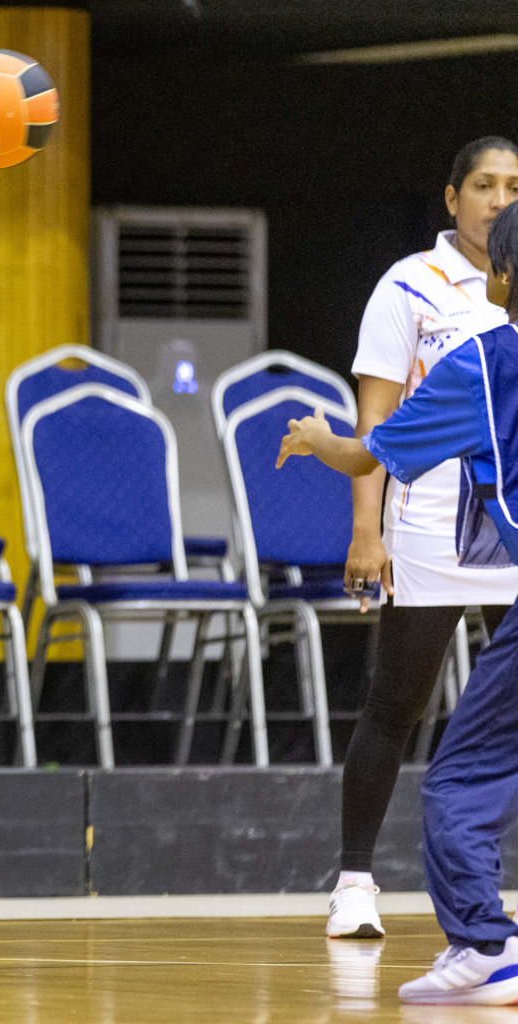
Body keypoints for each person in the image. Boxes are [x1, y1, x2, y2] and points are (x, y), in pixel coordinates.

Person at [280, 198, 518, 1005]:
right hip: (438, 550)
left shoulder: (483, 362)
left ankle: (484, 946)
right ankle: (361, 883)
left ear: (500, 275)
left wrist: (316, 438)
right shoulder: (408, 291)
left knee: (455, 778)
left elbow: (363, 450)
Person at [328, 136, 518, 940]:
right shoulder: (410, 285)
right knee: (396, 705)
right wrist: (365, 531)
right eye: (483, 184)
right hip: (432, 531)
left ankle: (484, 894)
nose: (498, 198)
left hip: (508, 536)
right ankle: (355, 880)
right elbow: (374, 427)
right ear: (450, 198)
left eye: (513, 185)